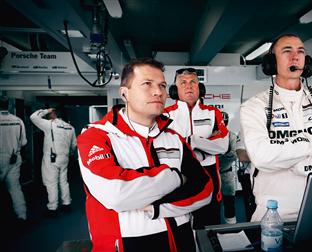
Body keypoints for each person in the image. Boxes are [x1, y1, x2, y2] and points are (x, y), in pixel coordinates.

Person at [77, 58, 213, 251]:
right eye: (147, 84)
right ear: (125, 93)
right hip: (127, 245)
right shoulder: (95, 136)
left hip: (182, 241)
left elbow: (205, 189)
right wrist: (177, 178)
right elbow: (117, 194)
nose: (158, 91)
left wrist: (157, 207)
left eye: (162, 85)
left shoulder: (174, 138)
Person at [240, 33, 312, 221]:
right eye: (287, 51)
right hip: (272, 213)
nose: (295, 57)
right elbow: (262, 157)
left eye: (300, 52)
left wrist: (302, 167)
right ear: (271, 62)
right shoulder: (254, 106)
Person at [164, 67, 229, 229]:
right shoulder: (165, 115)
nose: (189, 86)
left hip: (210, 178)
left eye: (193, 82)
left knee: (209, 228)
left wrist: (191, 141)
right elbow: (166, 149)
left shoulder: (213, 113)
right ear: (175, 89)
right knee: (180, 228)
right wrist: (206, 144)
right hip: (178, 177)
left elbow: (222, 145)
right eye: (183, 83)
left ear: (200, 88)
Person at [30, 107, 76, 217]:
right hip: (65, 158)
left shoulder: (49, 124)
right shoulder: (70, 127)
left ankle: (53, 208)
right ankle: (66, 204)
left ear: (52, 114)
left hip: (52, 158)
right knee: (63, 181)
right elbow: (74, 145)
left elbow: (33, 117)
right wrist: (68, 154)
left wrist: (46, 110)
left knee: (51, 183)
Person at [0, 96, 27, 222]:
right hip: (14, 157)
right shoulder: (18, 120)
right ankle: (22, 215)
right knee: (15, 188)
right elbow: (23, 142)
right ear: (9, 105)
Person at [217, 111, 238, 224]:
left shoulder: (232, 135)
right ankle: (213, 226)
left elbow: (234, 154)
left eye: (224, 122)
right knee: (211, 202)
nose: (222, 124)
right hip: (212, 175)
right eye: (220, 122)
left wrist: (217, 161)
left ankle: (231, 225)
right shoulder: (209, 136)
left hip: (226, 173)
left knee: (229, 200)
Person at [235, 132, 256, 221]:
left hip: (272, 176)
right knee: (252, 210)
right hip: (250, 177)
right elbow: (242, 156)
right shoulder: (244, 131)